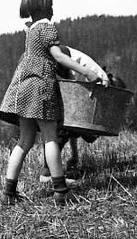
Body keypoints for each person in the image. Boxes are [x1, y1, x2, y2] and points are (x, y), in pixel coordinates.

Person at [0, 0, 106, 206]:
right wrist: (86, 72)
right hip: (40, 89)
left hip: (24, 89)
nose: (53, 10)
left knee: (24, 141)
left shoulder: (31, 30)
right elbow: (58, 56)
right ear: (45, 8)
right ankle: (60, 190)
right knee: (50, 137)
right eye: (51, 5)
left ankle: (8, 191)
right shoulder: (47, 27)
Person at [39, 44, 110, 182]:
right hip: (61, 77)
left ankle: (63, 164)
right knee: (61, 128)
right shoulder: (95, 74)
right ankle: (48, 173)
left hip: (58, 77)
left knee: (64, 125)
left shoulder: (94, 71)